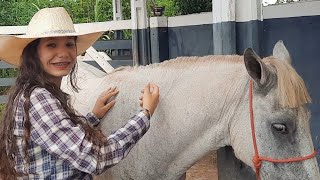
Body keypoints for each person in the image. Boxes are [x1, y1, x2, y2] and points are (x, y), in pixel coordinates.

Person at [0, 7, 160, 180]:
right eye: (51, 45)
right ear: (34, 53)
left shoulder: (32, 91)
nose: (63, 53)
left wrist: (92, 117)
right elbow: (95, 157)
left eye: (69, 44)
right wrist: (145, 115)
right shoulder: (38, 99)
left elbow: (58, 137)